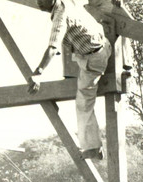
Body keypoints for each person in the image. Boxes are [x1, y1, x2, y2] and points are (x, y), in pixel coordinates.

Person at [29, 0, 112, 160]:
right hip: (99, 45)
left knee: (83, 101)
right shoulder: (66, 2)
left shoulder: (61, 15)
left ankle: (93, 147)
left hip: (94, 58)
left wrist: (39, 72)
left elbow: (53, 48)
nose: (38, 2)